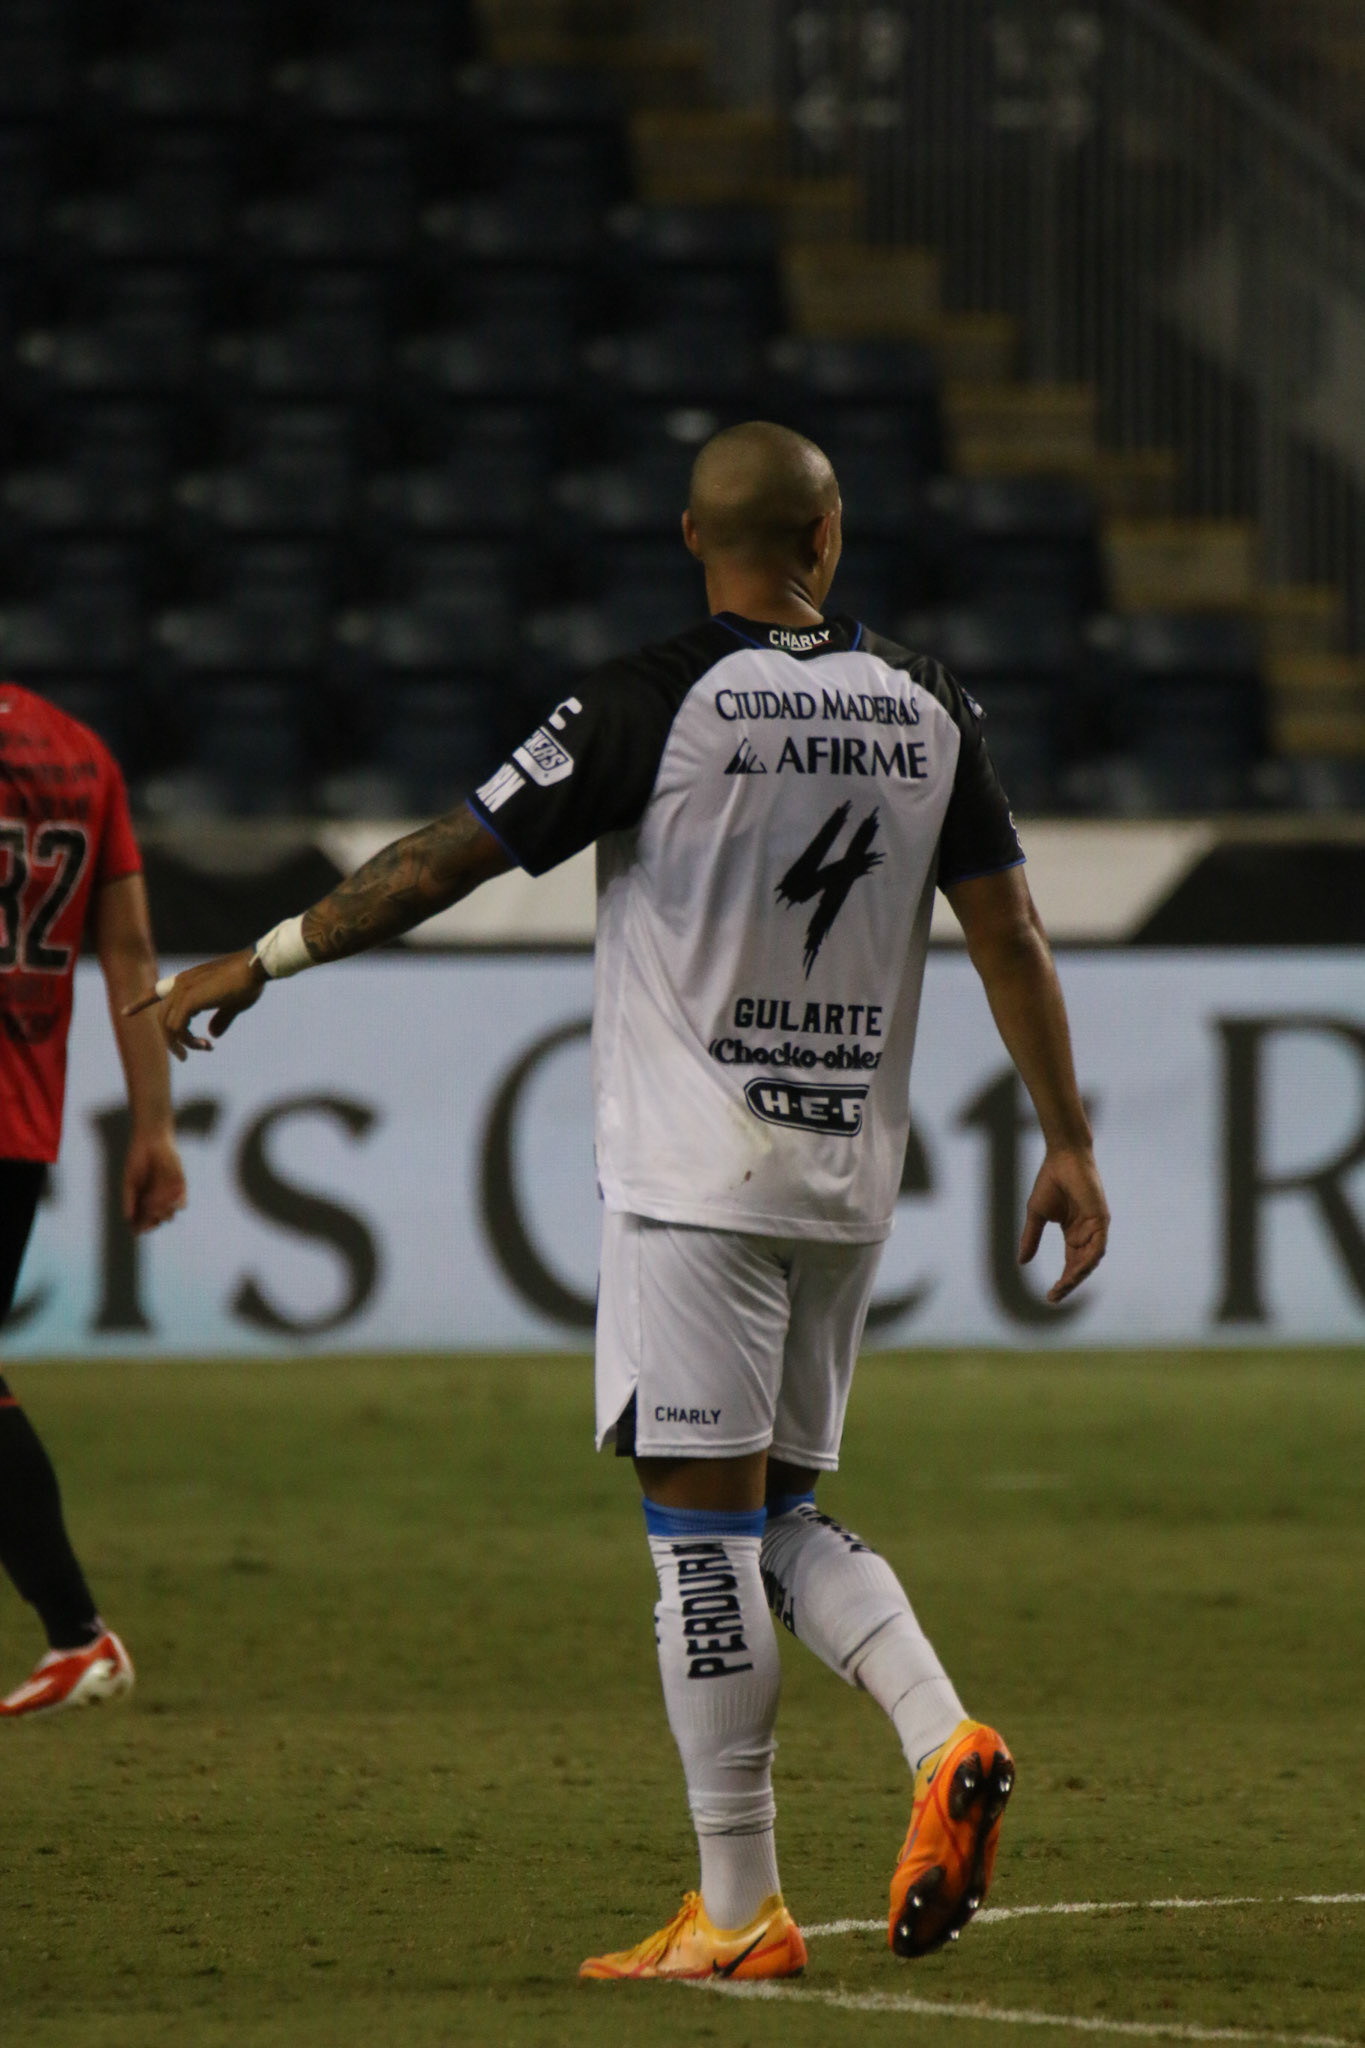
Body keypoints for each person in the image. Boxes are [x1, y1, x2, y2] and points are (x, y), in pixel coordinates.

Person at [138, 422, 1108, 1978]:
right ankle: (938, 1739)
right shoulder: (931, 702)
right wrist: (1065, 1139)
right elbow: (1011, 936)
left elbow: (444, 860)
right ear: (829, 538)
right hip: (845, 1182)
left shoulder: (649, 699)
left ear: (690, 536)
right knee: (773, 1516)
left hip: (691, 1180)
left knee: (697, 1541)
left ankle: (740, 1909)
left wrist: (263, 958)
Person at [1, 680, 186, 1718]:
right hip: (18, 1119)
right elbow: (128, 953)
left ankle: (78, 1633)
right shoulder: (79, 754)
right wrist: (153, 1125)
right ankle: (76, 1637)